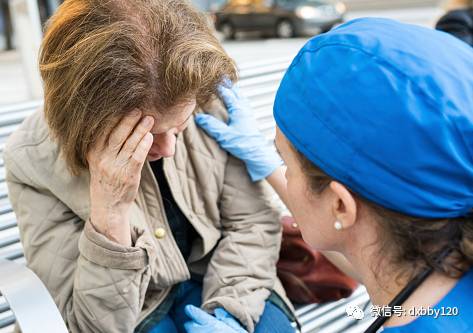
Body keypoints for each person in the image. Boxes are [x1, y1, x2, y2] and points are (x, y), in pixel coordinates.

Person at [3, 1, 295, 332]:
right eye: (148, 136)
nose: (169, 148)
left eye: (180, 126)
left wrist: (229, 310)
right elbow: (88, 325)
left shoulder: (202, 93)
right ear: (87, 121)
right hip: (136, 309)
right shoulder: (32, 160)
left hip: (225, 275)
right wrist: (110, 214)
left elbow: (252, 223)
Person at [186, 18, 473, 333]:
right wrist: (266, 164)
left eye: (286, 163)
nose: (283, 173)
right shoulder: (443, 257)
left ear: (340, 206)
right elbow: (374, 261)